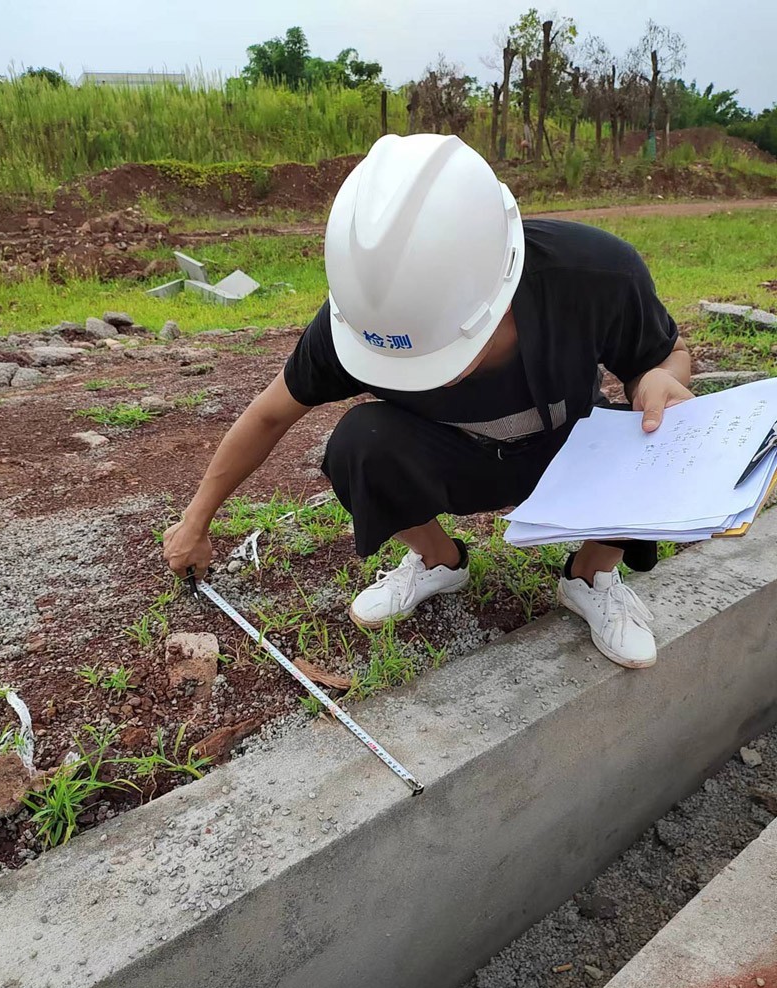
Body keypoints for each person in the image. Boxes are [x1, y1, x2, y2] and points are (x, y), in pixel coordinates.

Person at [163, 133, 693, 670]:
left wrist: (658, 379)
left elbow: (667, 355)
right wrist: (195, 521)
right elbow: (270, 413)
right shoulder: (360, 319)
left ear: (501, 287)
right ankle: (440, 561)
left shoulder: (594, 275)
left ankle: (591, 575)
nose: (430, 380)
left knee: (655, 430)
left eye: (442, 354)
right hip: (456, 460)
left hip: (567, 453)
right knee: (359, 443)